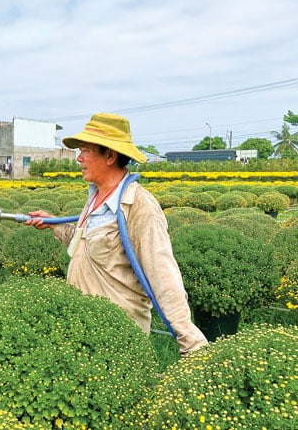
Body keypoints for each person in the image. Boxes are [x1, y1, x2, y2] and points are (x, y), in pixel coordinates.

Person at [27, 113, 207, 356]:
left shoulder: (139, 206)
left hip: (117, 338)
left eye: (85, 151)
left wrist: (192, 346)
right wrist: (54, 224)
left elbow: (163, 276)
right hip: (81, 330)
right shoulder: (96, 196)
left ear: (110, 156)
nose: (79, 158)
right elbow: (89, 248)